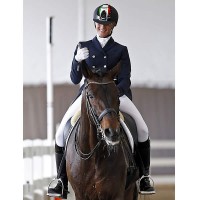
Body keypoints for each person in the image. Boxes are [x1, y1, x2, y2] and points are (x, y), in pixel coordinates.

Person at [47, 4, 155, 199]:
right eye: (98, 23)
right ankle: (61, 180)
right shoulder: (83, 46)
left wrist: (112, 93)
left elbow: (125, 79)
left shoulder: (121, 50)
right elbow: (74, 78)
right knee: (60, 132)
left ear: (113, 25)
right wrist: (76, 61)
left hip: (115, 95)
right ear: (95, 24)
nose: (101, 27)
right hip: (88, 96)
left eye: (106, 24)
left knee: (142, 129)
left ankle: (144, 176)